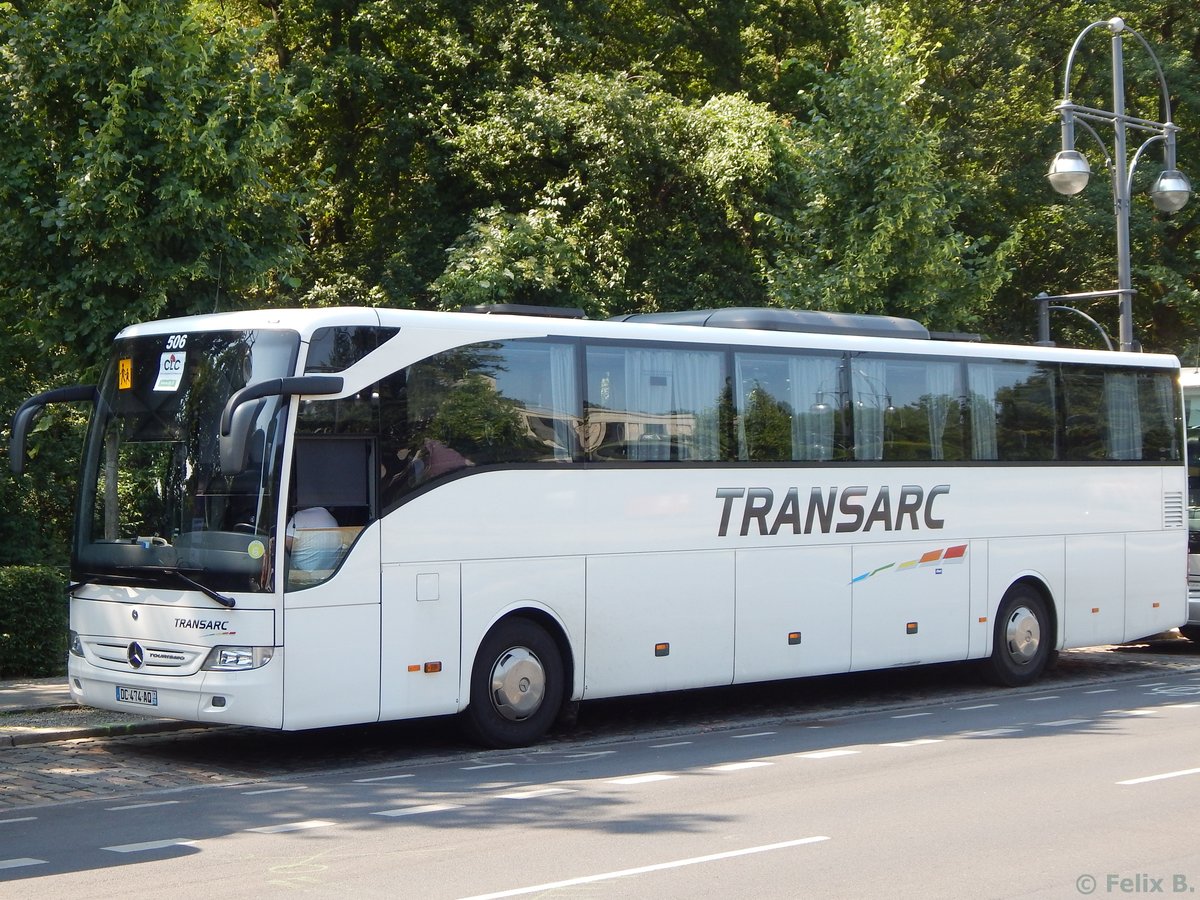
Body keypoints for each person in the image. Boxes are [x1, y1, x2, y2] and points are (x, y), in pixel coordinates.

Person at [285, 506, 342, 571]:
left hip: (302, 573)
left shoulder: (300, 516)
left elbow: (286, 547)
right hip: (328, 572)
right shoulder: (329, 517)